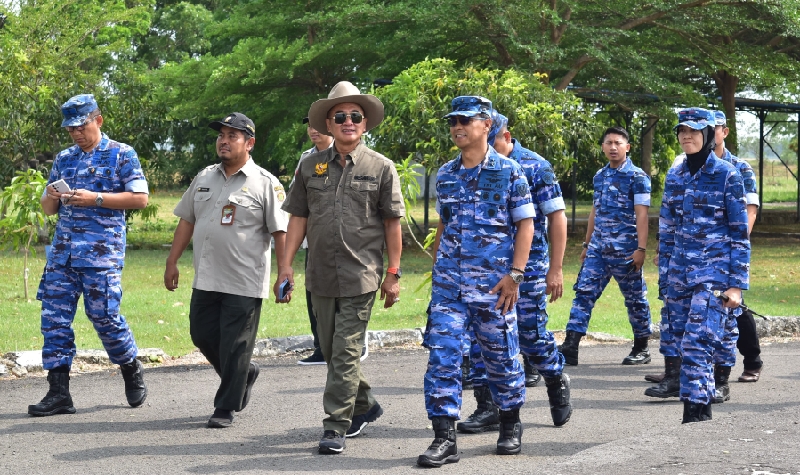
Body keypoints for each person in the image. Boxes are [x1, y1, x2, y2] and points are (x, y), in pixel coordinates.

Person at [275, 81, 403, 454]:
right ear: (328, 124)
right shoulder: (309, 165)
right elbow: (298, 216)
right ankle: (364, 404)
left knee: (345, 351)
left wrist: (393, 274)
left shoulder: (381, 168)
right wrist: (286, 266)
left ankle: (335, 426)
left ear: (364, 124)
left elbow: (392, 224)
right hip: (320, 274)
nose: (348, 122)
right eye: (340, 116)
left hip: (362, 274)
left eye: (355, 117)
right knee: (332, 352)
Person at [418, 96, 534, 467]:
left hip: (493, 287)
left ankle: (510, 423)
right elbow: (444, 225)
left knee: (499, 357)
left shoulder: (510, 171)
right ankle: (444, 437)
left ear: (487, 124)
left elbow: (525, 224)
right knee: (443, 358)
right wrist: (438, 266)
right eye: (453, 121)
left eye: (465, 121)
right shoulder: (447, 175)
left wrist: (515, 275)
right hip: (450, 287)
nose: (457, 127)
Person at [164, 112, 288, 428]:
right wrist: (172, 261)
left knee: (235, 344)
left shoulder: (265, 183)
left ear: (250, 143)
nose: (224, 140)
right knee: (201, 333)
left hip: (245, 278)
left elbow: (280, 231)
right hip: (207, 275)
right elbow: (186, 220)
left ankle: (225, 407)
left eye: (233, 135)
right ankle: (243, 373)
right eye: (222, 134)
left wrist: (284, 271)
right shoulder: (204, 177)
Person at [29, 94, 149, 417]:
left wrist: (96, 198)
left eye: (81, 127)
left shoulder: (122, 154)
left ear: (99, 119)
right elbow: (48, 207)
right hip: (63, 255)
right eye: (70, 130)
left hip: (100, 254)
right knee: (53, 320)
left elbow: (140, 198)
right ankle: (58, 392)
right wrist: (52, 196)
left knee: (104, 317)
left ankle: (130, 366)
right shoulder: (64, 158)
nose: (76, 134)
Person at [457, 110, 572, 436]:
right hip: (485, 272)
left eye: (490, 141)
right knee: (479, 340)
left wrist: (557, 269)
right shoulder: (470, 166)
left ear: (504, 135)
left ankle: (554, 376)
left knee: (531, 338)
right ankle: (488, 407)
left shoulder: (535, 166)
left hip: (529, 270)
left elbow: (557, 217)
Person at [644, 111, 763, 391]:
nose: (686, 135)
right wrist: (665, 274)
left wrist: (736, 284)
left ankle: (720, 382)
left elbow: (739, 233)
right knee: (673, 323)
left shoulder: (728, 175)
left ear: (709, 135)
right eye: (682, 130)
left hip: (715, 269)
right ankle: (673, 378)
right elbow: (668, 226)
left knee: (715, 328)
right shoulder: (675, 175)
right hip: (679, 268)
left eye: (694, 131)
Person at [560, 126, 652, 366]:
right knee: (583, 293)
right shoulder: (600, 176)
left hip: (626, 252)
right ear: (602, 146)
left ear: (627, 147)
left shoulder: (637, 177)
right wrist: (586, 243)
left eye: (618, 143)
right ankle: (571, 345)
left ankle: (641, 347)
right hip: (598, 250)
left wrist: (641, 249)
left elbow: (642, 215)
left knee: (635, 299)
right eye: (608, 142)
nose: (613, 147)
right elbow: (595, 211)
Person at [294, 117, 333, 366]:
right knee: (312, 292)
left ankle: (353, 343)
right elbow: (298, 197)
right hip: (314, 239)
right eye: (308, 125)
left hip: (341, 238)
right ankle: (320, 346)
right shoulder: (307, 159)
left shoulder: (340, 154)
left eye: (317, 125)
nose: (312, 130)